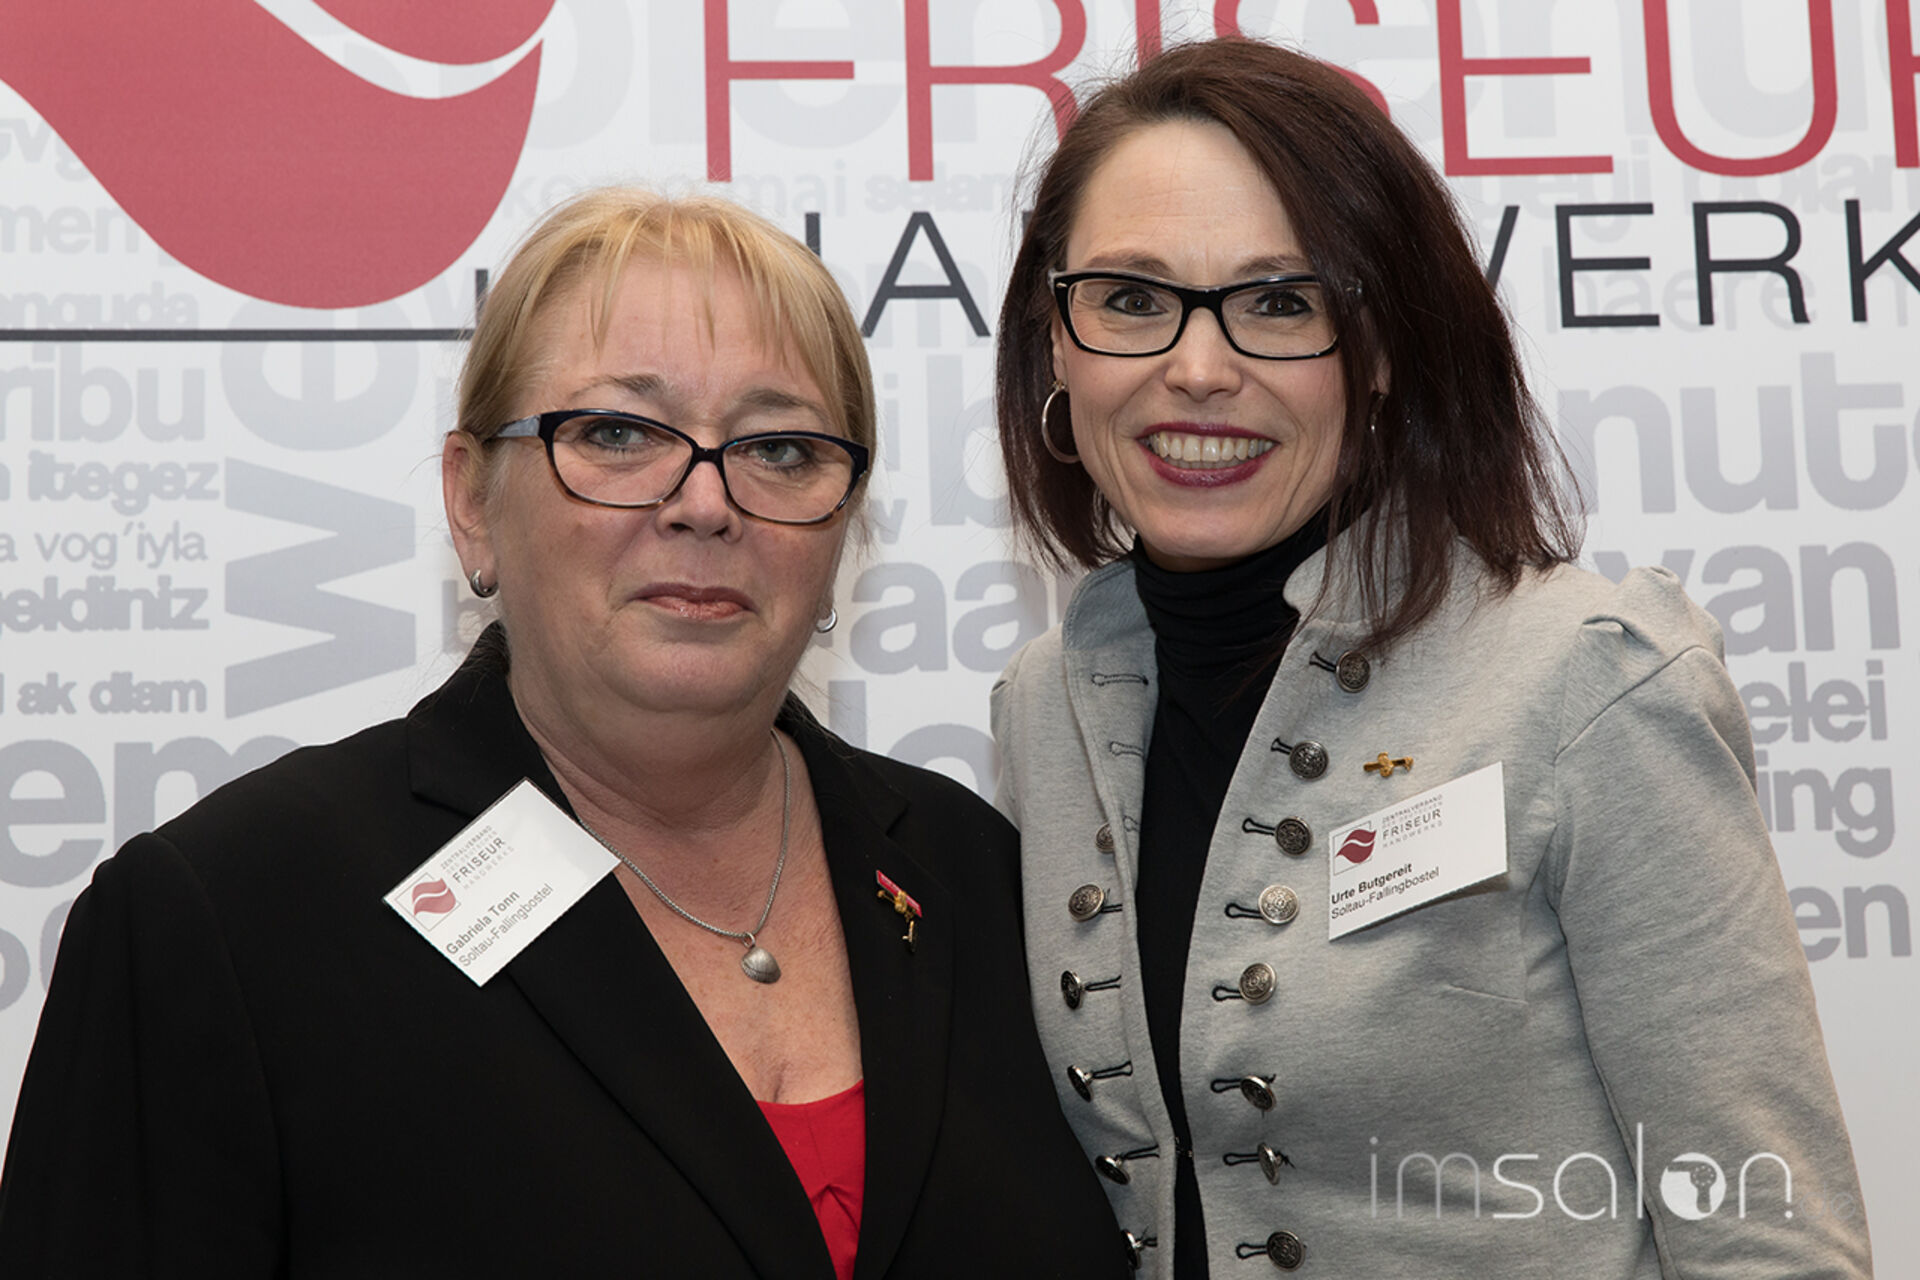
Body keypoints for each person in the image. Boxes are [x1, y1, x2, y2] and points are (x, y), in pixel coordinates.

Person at [0, 188, 1129, 1277]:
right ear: (472, 500)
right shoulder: (226, 919)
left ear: (843, 525)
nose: (705, 502)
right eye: (618, 432)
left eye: (780, 448)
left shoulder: (982, 881)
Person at [989, 38, 1872, 1279]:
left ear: (1381, 352)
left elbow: (1768, 1239)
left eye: (1280, 302)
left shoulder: (1588, 680)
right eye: (1131, 298)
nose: (1197, 369)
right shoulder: (1049, 703)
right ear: (1057, 340)